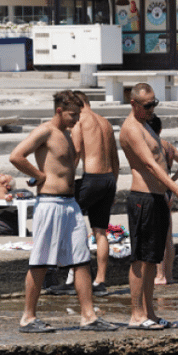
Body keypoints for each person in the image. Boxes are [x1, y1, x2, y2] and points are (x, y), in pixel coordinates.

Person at [8, 90, 116, 333]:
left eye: (78, 114)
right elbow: (16, 156)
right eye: (72, 114)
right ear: (59, 110)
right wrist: (38, 176)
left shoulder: (68, 135)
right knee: (40, 261)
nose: (76, 119)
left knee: (81, 260)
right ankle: (28, 317)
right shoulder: (45, 131)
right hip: (50, 204)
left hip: (70, 205)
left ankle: (88, 316)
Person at [119, 83, 178, 330]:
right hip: (143, 198)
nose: (152, 109)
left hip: (157, 198)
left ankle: (150, 313)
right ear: (134, 104)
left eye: (155, 104)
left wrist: (168, 192)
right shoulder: (131, 129)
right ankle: (136, 315)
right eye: (147, 105)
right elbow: (150, 165)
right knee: (140, 259)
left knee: (153, 259)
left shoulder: (146, 127)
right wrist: (176, 188)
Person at [73, 90, 121, 296]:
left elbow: (75, 154)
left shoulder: (80, 121)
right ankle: (100, 280)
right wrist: (113, 187)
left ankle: (72, 277)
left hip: (91, 178)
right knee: (100, 231)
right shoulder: (106, 123)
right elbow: (115, 160)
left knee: (70, 222)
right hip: (109, 179)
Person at [144, 113, 178, 287]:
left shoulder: (153, 146)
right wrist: (172, 180)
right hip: (168, 191)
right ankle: (169, 275)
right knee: (168, 238)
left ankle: (159, 275)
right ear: (160, 129)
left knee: (158, 236)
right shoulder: (168, 146)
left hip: (157, 191)